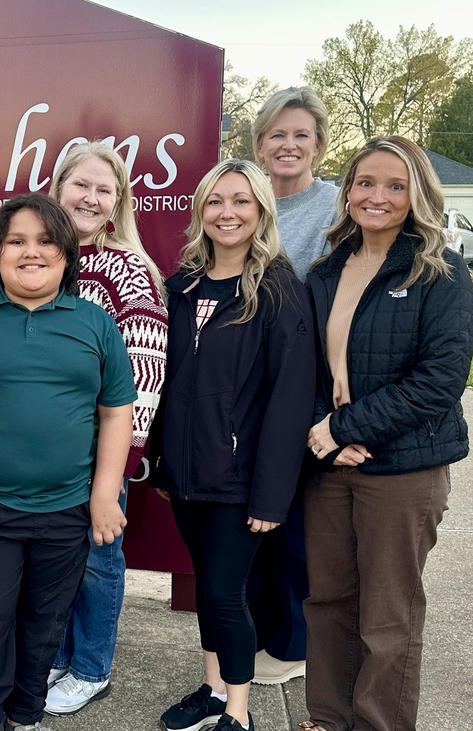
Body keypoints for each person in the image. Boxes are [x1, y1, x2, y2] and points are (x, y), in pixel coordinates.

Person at [0, 193, 136, 731]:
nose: (31, 252)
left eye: (45, 241)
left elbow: (116, 415)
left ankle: (24, 713)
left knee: (44, 622)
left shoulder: (95, 325)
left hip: (66, 510)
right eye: (16, 241)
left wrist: (105, 495)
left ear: (67, 254)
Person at [302, 136, 473, 731]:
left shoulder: (441, 271)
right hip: (330, 467)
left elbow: (440, 379)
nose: (377, 196)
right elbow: (301, 368)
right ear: (347, 190)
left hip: (403, 470)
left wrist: (345, 427)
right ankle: (325, 717)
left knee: (387, 616)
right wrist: (324, 433)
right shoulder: (326, 271)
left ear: (417, 195)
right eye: (366, 183)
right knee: (327, 602)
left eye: (395, 185)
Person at [153, 160, 315, 731]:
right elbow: (167, 383)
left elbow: (291, 402)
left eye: (242, 202)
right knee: (206, 588)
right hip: (186, 475)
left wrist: (271, 499)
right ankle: (212, 687)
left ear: (261, 211)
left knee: (226, 593)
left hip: (240, 480)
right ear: (201, 210)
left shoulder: (277, 290)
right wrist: (165, 468)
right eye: (217, 201)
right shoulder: (183, 284)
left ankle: (238, 713)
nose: (228, 212)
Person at [43, 141, 168, 715]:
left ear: (117, 204)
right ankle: (58, 656)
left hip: (98, 452)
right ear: (57, 188)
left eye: (104, 189)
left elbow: (146, 367)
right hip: (40, 453)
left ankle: (91, 667)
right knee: (53, 557)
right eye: (81, 185)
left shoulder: (127, 269)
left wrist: (116, 461)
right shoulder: (39, 257)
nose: (90, 198)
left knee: (97, 559)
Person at [246, 86, 338, 685]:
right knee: (254, 516)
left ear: (318, 144)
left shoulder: (336, 207)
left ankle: (293, 647)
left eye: (300, 134)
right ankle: (261, 631)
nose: (288, 144)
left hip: (311, 380)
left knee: (298, 522)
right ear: (259, 143)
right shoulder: (247, 200)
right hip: (249, 379)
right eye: (277, 134)